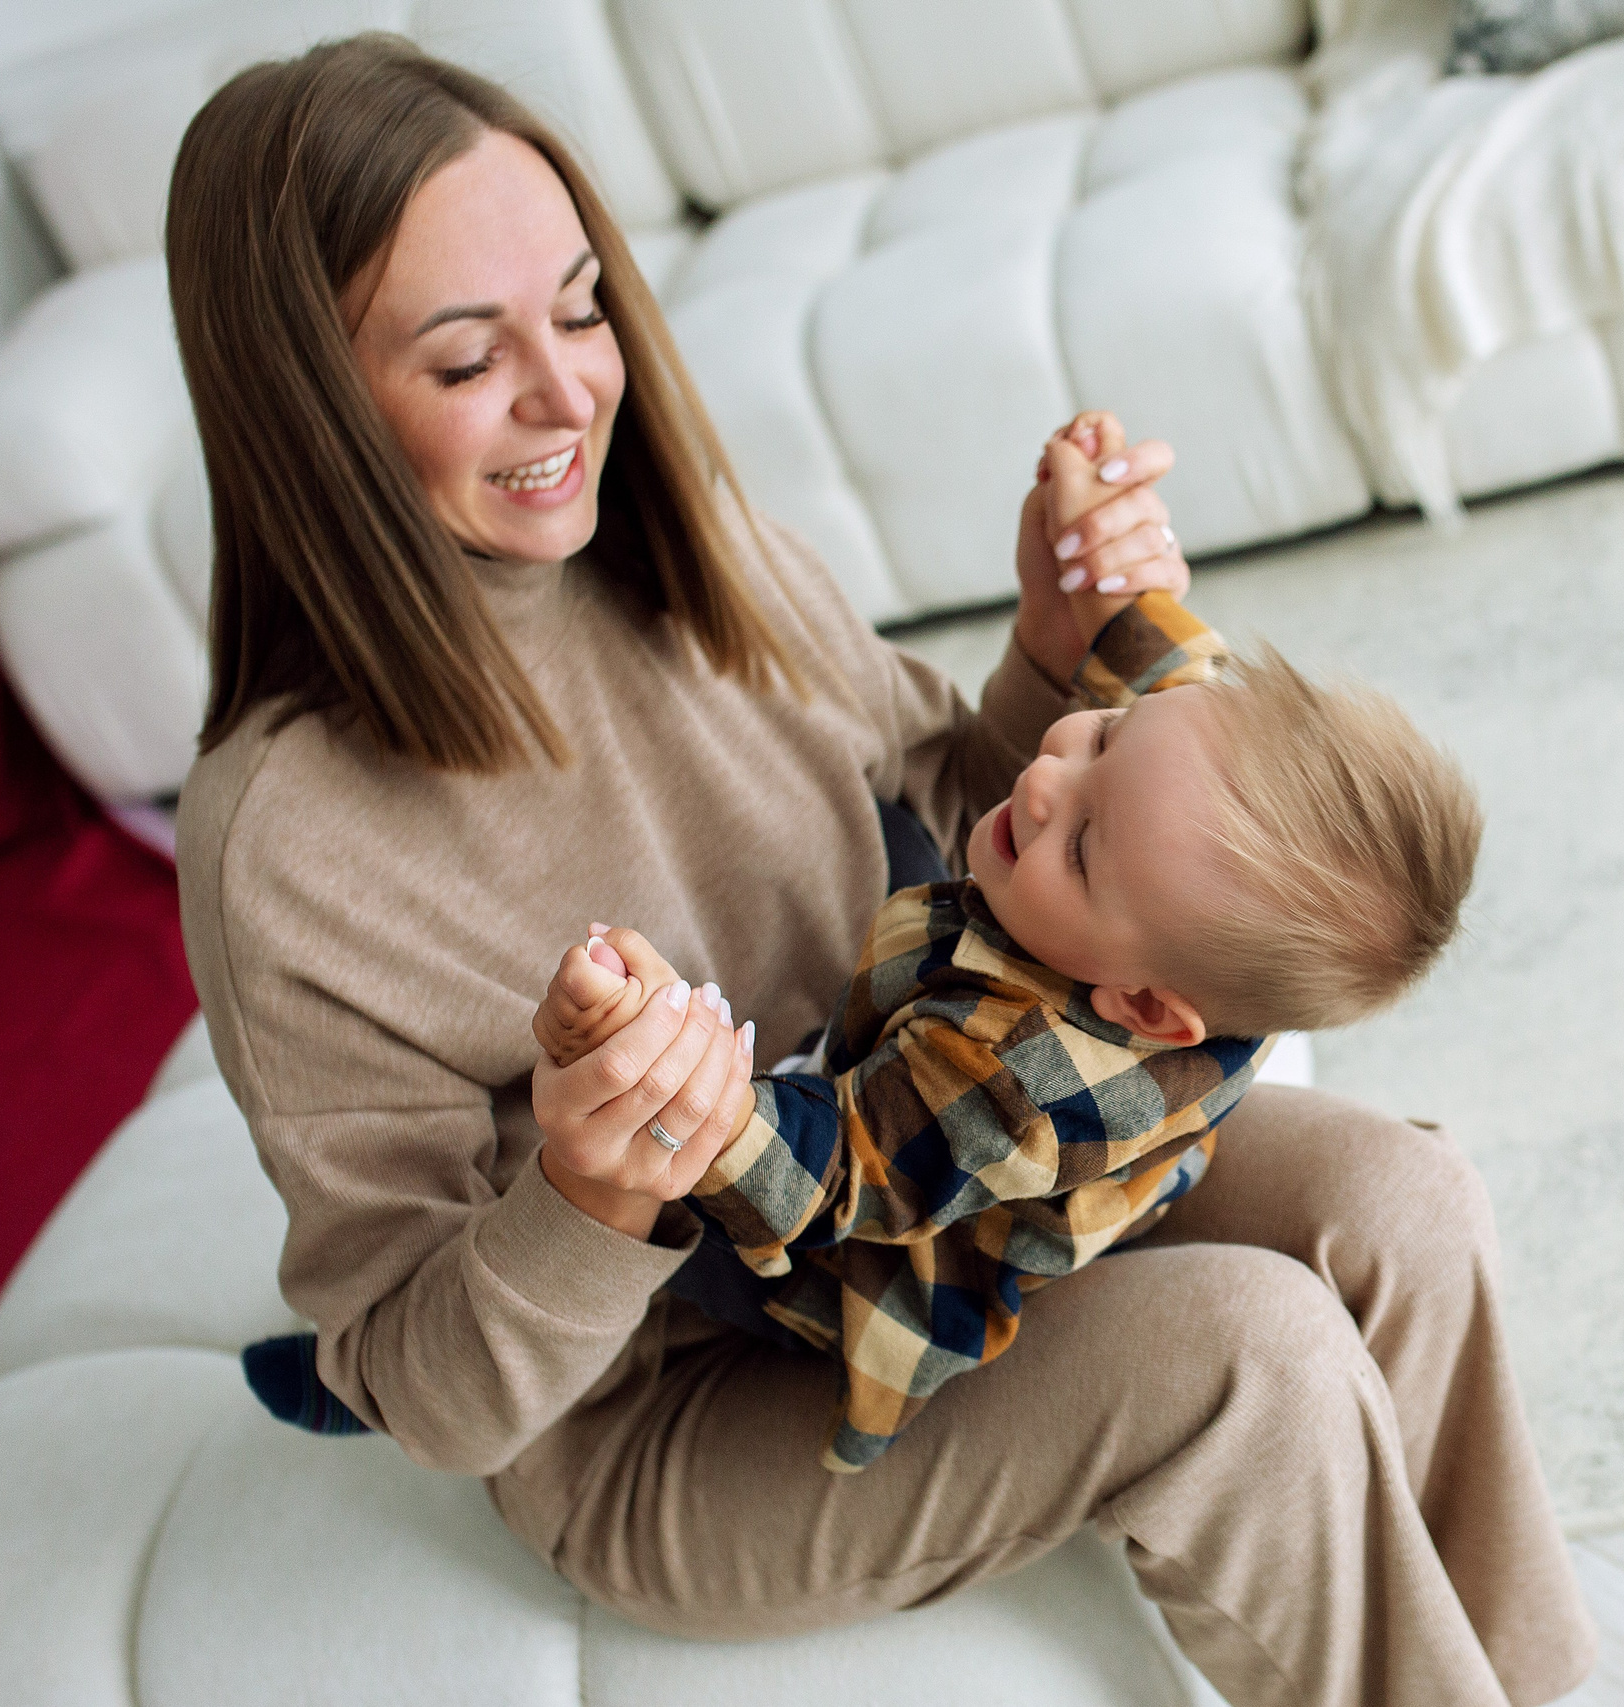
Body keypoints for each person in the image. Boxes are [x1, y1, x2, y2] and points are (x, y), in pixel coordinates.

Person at [168, 32, 1596, 1707]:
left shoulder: (697, 550)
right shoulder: (292, 842)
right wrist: (594, 1185)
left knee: (1406, 1202)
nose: (570, 395)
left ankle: (1520, 1681)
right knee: (1255, 1361)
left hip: (939, 1170)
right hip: (686, 1400)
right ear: (312, 410)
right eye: (470, 360)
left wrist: (1057, 659)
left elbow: (963, 814)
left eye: (578, 307)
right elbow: (425, 1385)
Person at [533, 466, 1484, 1470]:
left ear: (1142, 1007)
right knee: (915, 839)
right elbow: (1170, 680)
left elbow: (845, 1170)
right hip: (950, 1075)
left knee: (695, 1236)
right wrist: (1102, 572)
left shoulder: (1015, 1080)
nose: (1043, 780)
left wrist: (697, 1091)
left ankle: (355, 1394)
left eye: (1078, 845)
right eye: (1102, 739)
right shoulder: (1184, 836)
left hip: (867, 1259)